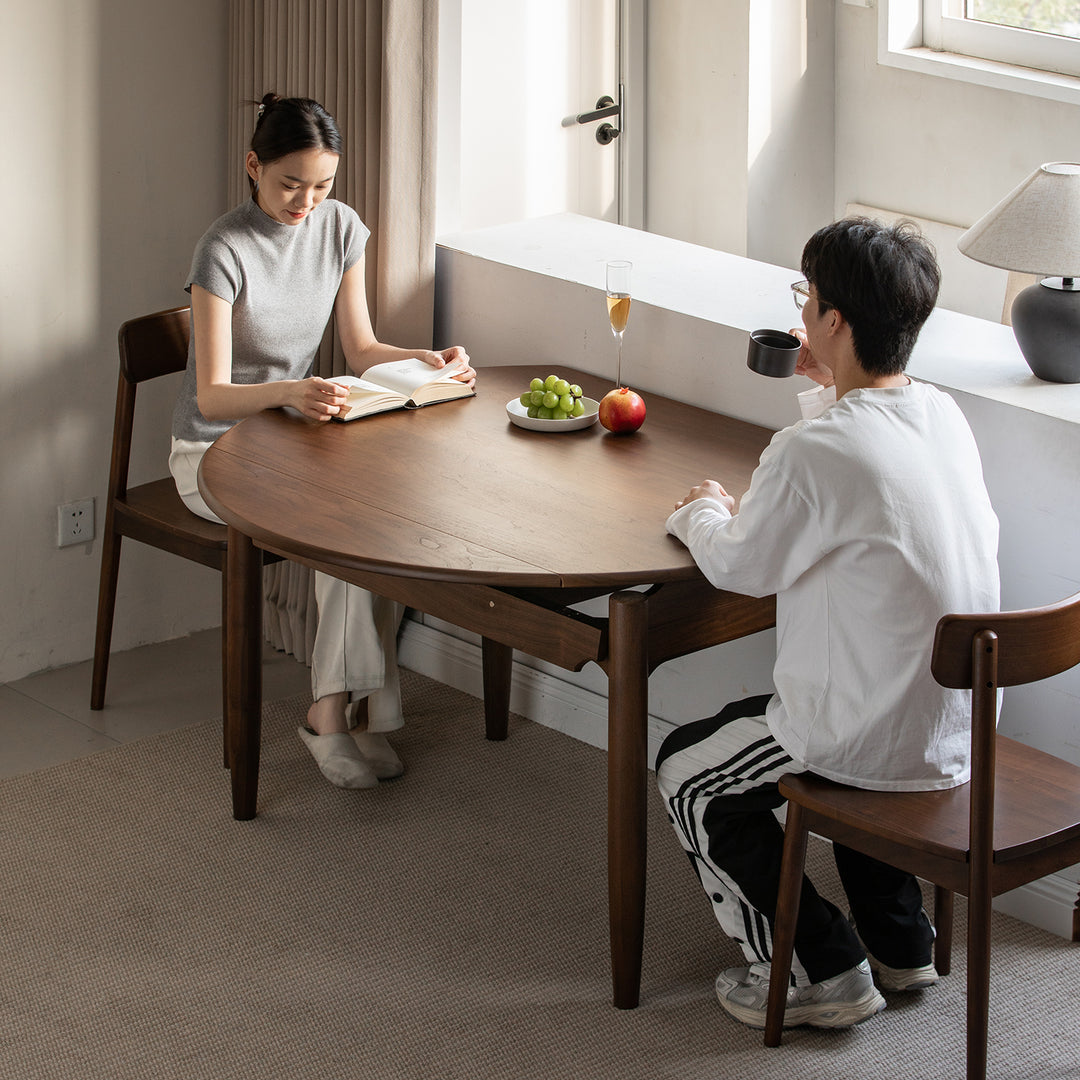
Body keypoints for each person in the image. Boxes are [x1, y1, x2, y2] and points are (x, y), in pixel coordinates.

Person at [657, 217, 999, 1032]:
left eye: (807, 298)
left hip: (866, 733)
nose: (802, 310)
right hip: (953, 730)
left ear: (833, 319)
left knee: (688, 774)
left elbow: (739, 566)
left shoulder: (812, 449)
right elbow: (855, 461)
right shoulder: (943, 416)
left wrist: (701, 511)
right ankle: (901, 945)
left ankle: (822, 972)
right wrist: (830, 381)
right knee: (867, 728)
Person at [170, 94, 475, 791]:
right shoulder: (223, 248)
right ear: (253, 166)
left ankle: (345, 711)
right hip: (212, 452)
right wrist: (287, 391)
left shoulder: (340, 229)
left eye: (322, 186)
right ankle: (332, 717)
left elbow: (361, 348)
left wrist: (426, 359)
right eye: (290, 184)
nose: (306, 201)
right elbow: (212, 395)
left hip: (290, 441)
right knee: (336, 525)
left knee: (374, 514)